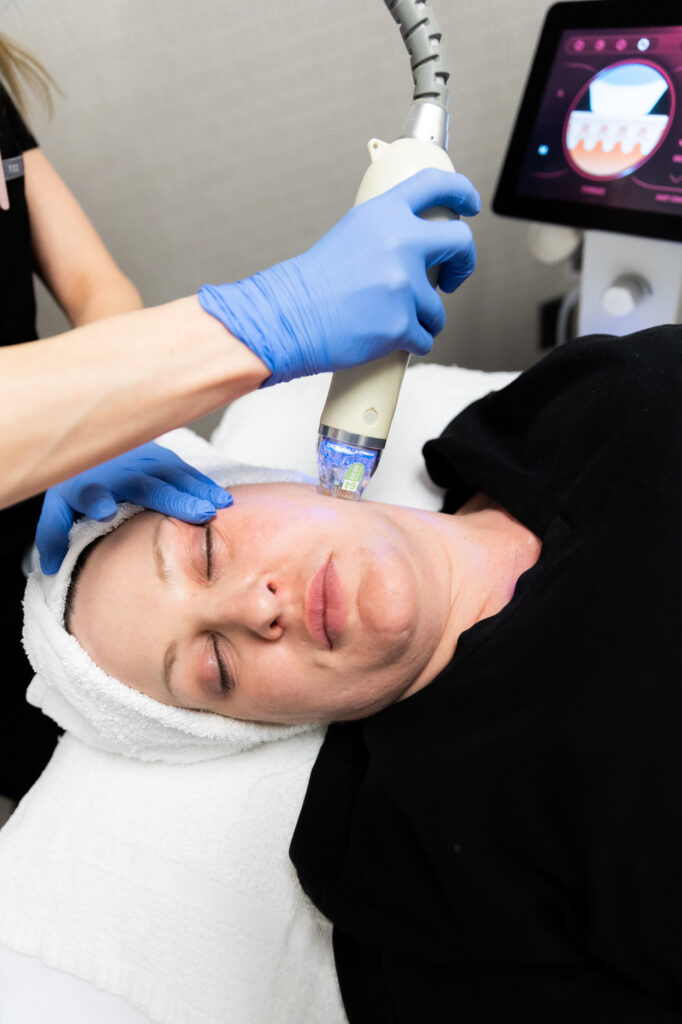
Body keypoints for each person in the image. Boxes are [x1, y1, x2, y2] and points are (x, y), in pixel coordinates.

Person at [48, 324, 682, 1021]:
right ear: (246, 729)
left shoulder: (597, 399)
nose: (252, 609)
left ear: (260, 486)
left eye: (204, 553)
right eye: (216, 665)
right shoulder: (419, 868)